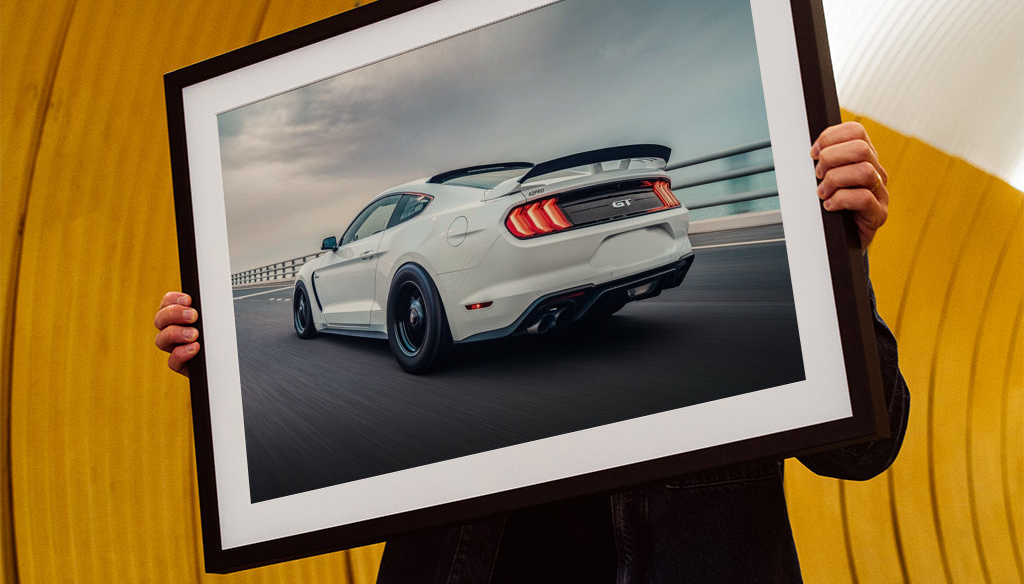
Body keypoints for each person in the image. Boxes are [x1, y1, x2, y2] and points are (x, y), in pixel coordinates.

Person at [155, 121, 908, 582]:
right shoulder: (369, 250)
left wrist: (838, 259)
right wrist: (216, 367)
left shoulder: (409, 232)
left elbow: (864, 451)